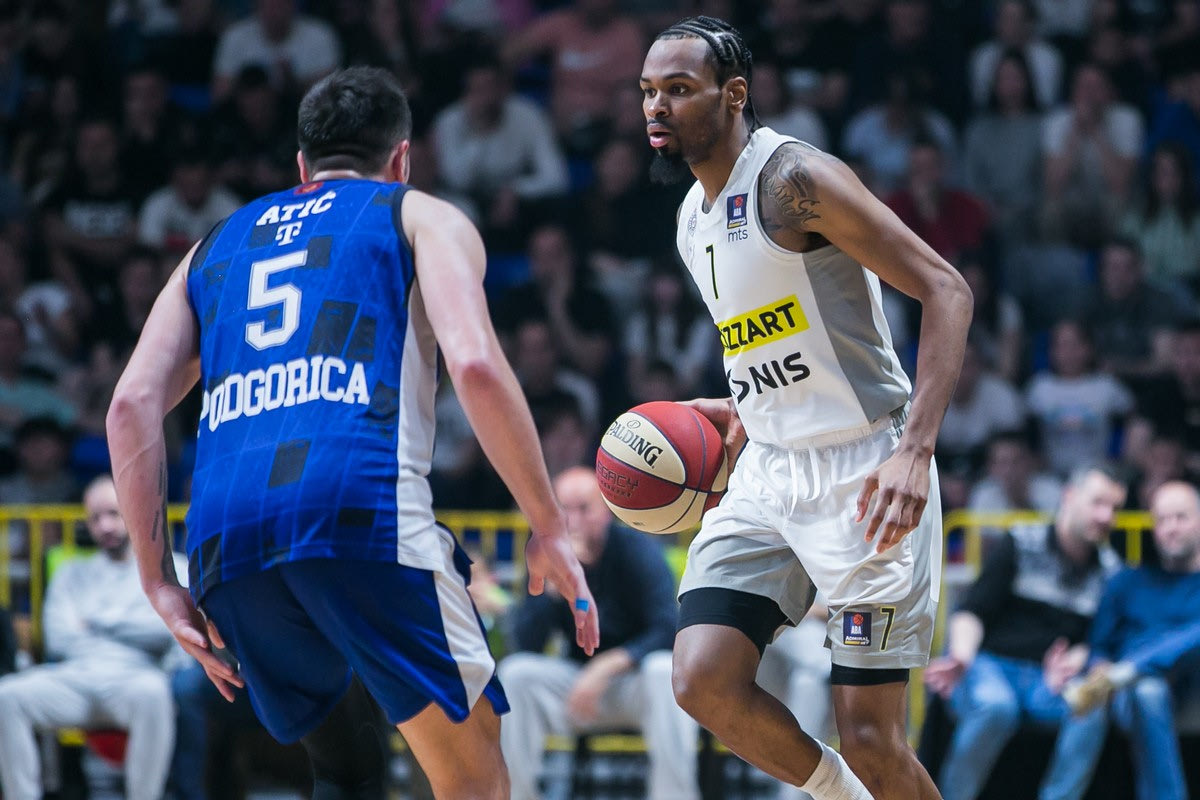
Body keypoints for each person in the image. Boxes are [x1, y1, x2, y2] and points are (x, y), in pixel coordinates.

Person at [105, 66, 599, 800]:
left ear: (301, 167)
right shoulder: (420, 214)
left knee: (345, 768)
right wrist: (548, 525)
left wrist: (157, 580)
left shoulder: (213, 244)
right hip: (357, 509)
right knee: (473, 773)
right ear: (402, 158)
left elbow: (130, 405)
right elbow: (474, 364)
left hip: (225, 538)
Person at [640, 16, 973, 800]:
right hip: (768, 470)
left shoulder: (794, 179)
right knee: (700, 678)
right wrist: (742, 408)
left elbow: (946, 289)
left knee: (871, 739)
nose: (656, 107)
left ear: (734, 95)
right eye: (648, 91)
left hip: (868, 467)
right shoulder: (691, 218)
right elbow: (771, 336)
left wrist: (915, 453)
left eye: (679, 89)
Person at [922, 466, 1127, 800]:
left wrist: (1077, 660)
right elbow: (973, 611)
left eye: (1115, 508)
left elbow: (1099, 641)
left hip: (1047, 681)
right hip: (991, 666)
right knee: (997, 707)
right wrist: (961, 656)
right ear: (1069, 497)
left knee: (1090, 707)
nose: (1106, 516)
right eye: (1098, 503)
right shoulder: (1021, 540)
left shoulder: (1111, 570)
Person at [498, 466, 696, 800]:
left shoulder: (636, 549)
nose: (573, 521)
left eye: (584, 509)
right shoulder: (546, 556)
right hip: (575, 685)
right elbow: (525, 643)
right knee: (516, 674)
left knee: (664, 671)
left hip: (632, 683)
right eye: (564, 510)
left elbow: (667, 629)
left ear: (606, 511)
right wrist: (552, 588)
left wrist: (605, 668)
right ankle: (516, 796)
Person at [0, 476, 187, 800]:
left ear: (134, 512)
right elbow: (60, 638)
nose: (105, 526)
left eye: (113, 514)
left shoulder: (172, 569)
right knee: (7, 696)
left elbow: (167, 631)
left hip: (137, 677)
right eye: (95, 518)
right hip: (76, 678)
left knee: (155, 693)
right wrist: (134, 628)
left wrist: (98, 623)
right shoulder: (70, 573)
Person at [1043, 480, 1200, 800]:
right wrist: (1099, 665)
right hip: (1129, 695)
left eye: (1181, 517)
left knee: (1150, 683)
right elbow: (1100, 645)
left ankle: (1130, 670)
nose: (1171, 528)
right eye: (1162, 520)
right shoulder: (1128, 581)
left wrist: (1128, 667)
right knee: (1141, 691)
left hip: (1190, 686)